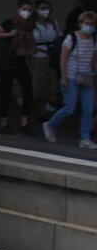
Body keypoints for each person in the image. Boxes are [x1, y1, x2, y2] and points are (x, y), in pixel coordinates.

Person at [42, 10, 96, 149]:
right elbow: (63, 58)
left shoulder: (94, 39)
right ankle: (50, 124)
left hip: (87, 77)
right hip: (71, 76)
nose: (89, 26)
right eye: (86, 23)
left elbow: (94, 60)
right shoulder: (71, 38)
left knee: (88, 109)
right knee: (70, 108)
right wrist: (64, 77)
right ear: (80, 23)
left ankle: (85, 138)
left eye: (92, 24)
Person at [0, 0, 36, 136]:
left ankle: (25, 122)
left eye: (29, 10)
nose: (27, 12)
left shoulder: (29, 25)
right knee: (6, 91)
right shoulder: (10, 22)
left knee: (28, 90)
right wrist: (9, 34)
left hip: (21, 59)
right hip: (7, 59)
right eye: (24, 9)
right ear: (18, 9)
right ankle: (3, 122)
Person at [31, 0, 62, 121]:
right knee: (35, 86)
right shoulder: (32, 24)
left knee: (48, 86)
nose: (46, 11)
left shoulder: (53, 23)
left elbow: (59, 36)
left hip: (50, 57)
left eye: (47, 8)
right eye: (43, 8)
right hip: (37, 57)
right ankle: (28, 113)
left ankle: (41, 114)